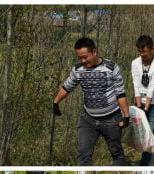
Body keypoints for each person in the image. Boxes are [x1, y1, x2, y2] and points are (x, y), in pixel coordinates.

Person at [52, 37, 130, 166]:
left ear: (94, 52)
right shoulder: (78, 69)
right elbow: (67, 86)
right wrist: (56, 102)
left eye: (85, 57)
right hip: (88, 120)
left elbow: (120, 93)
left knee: (116, 154)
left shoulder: (111, 67)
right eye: (79, 58)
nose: (83, 61)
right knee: (83, 155)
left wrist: (126, 115)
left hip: (111, 119)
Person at [131, 35, 154, 166]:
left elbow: (152, 88)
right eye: (139, 51)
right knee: (140, 133)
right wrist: (139, 106)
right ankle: (140, 157)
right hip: (140, 102)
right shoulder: (135, 63)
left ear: (152, 49)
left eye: (144, 51)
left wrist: (145, 109)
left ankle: (144, 163)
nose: (142, 54)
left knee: (149, 134)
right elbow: (136, 84)